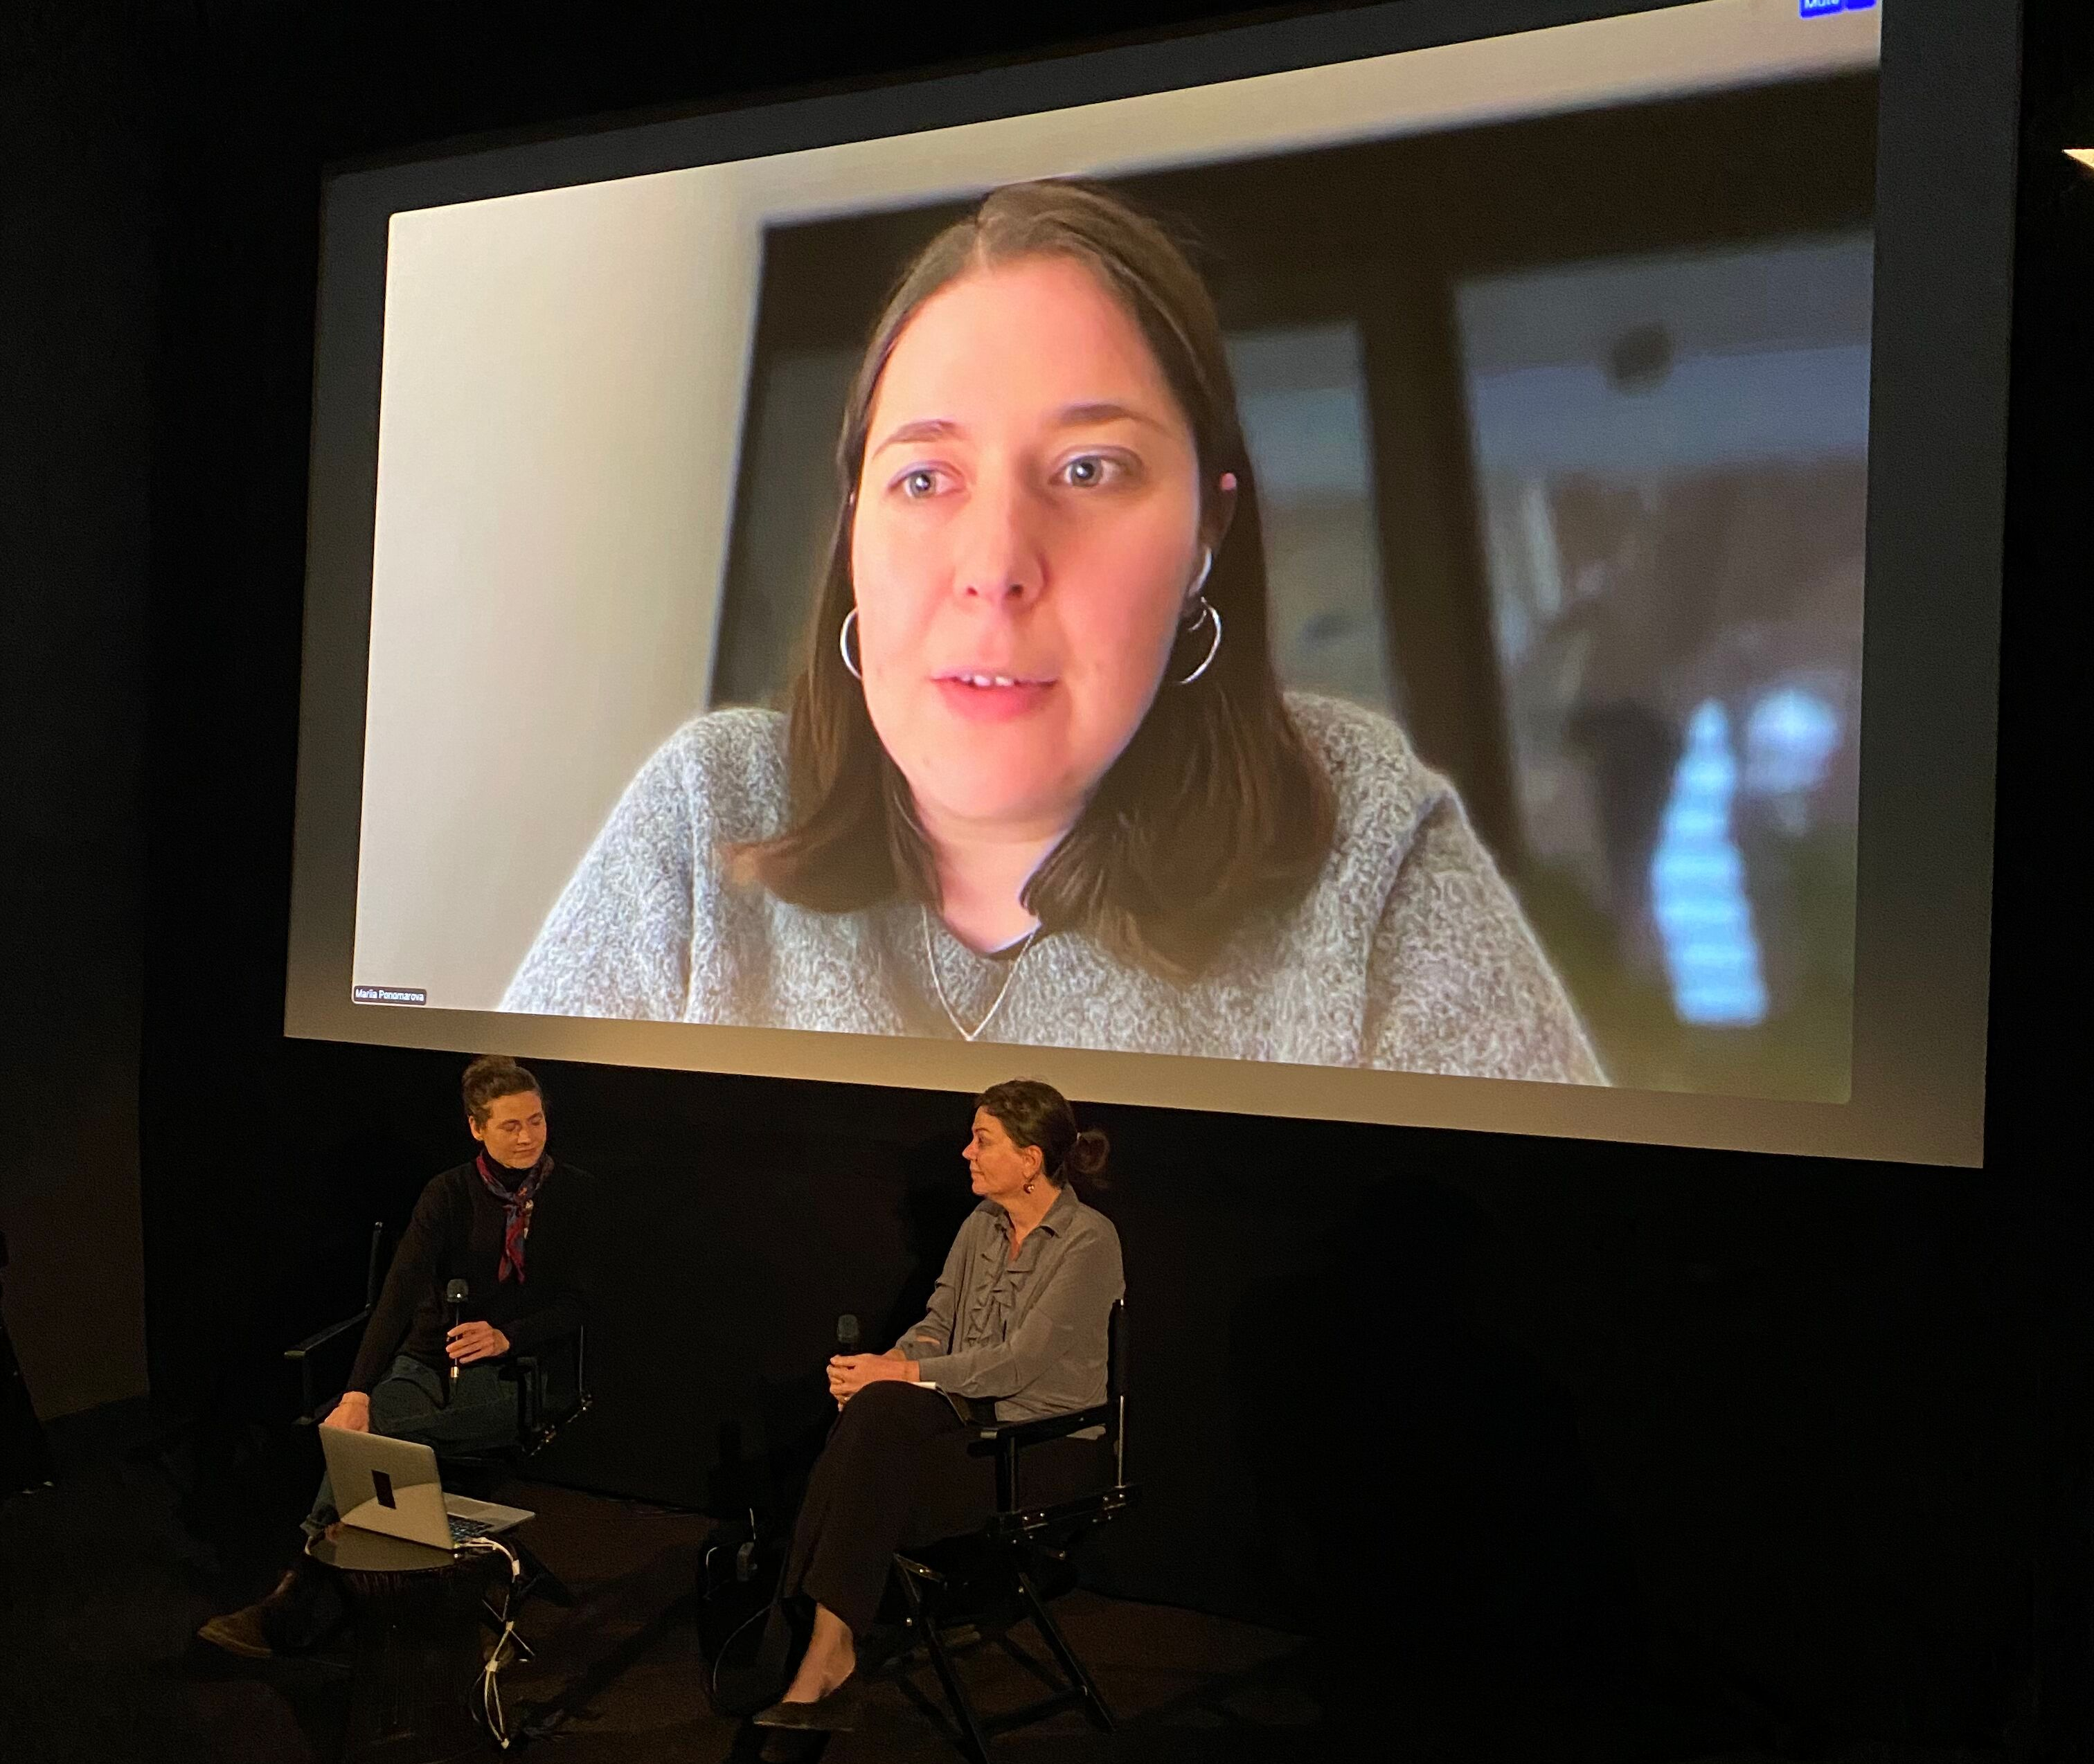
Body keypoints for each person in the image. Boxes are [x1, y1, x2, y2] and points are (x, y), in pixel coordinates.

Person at [505, 179, 1602, 1084]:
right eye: (926, 477)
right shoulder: (706, 824)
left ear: (1207, 534)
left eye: (1088, 470)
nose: (994, 568)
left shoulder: (1365, 850)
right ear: (853, 537)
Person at [751, 1079, 1124, 1732]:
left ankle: (802, 1643)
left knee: (870, 1472)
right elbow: (935, 1323)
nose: (965, 1153)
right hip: (968, 1420)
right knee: (872, 1418)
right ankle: (824, 1649)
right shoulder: (982, 1223)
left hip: (1045, 1446)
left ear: (1030, 1159)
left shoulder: (1089, 1242)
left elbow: (1018, 1364)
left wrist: (897, 1371)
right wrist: (882, 1372)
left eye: (983, 1140)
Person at [196, 1056, 591, 1657]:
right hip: (429, 1363)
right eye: (510, 1125)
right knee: (361, 1421)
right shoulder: (448, 1193)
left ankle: (295, 1597)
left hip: (523, 1375)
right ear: (476, 1128)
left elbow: (581, 1305)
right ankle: (349, 1592)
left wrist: (510, 1336)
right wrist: (357, 1392)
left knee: (367, 1437)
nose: (528, 1137)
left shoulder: (572, 1194)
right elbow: (399, 1294)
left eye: (535, 1121)